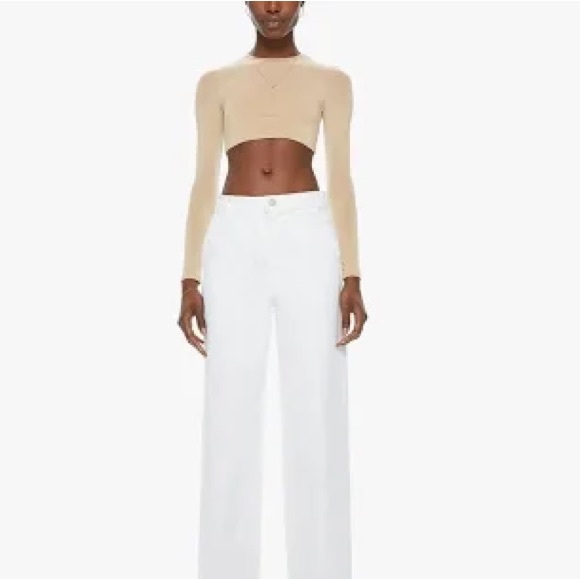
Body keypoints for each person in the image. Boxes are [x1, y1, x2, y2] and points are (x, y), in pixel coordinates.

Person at [177, 2, 368, 578]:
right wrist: (189, 276)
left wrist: (352, 274)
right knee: (229, 409)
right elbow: (203, 181)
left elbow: (341, 180)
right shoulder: (215, 82)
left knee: (316, 406)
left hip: (308, 235)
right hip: (233, 237)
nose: (274, 7)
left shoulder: (332, 81)